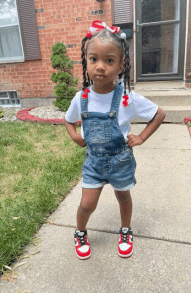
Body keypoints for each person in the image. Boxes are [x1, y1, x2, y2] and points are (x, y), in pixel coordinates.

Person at [65, 20, 165, 260]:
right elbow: (68, 120)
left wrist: (141, 137)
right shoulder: (82, 98)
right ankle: (80, 232)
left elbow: (158, 114)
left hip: (121, 160)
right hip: (94, 162)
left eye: (109, 60)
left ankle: (125, 230)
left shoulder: (127, 97)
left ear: (121, 65)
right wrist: (76, 136)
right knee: (87, 204)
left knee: (123, 197)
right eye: (94, 59)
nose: (100, 67)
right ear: (85, 61)